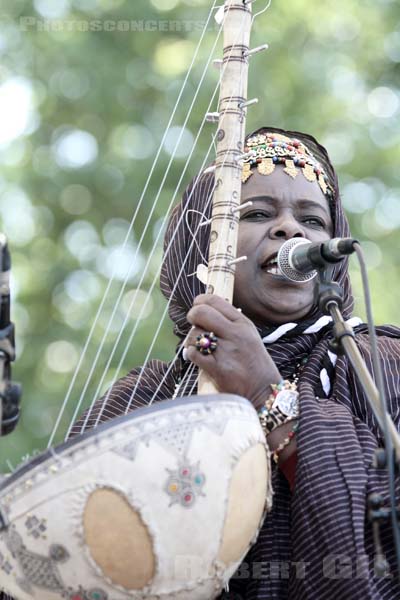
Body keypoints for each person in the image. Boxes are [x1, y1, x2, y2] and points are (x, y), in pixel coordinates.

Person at [2, 127, 399, 600]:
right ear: (201, 246)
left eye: (313, 221)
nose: (291, 229)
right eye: (256, 213)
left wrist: (267, 397)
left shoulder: (378, 363)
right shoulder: (144, 396)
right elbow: (55, 558)